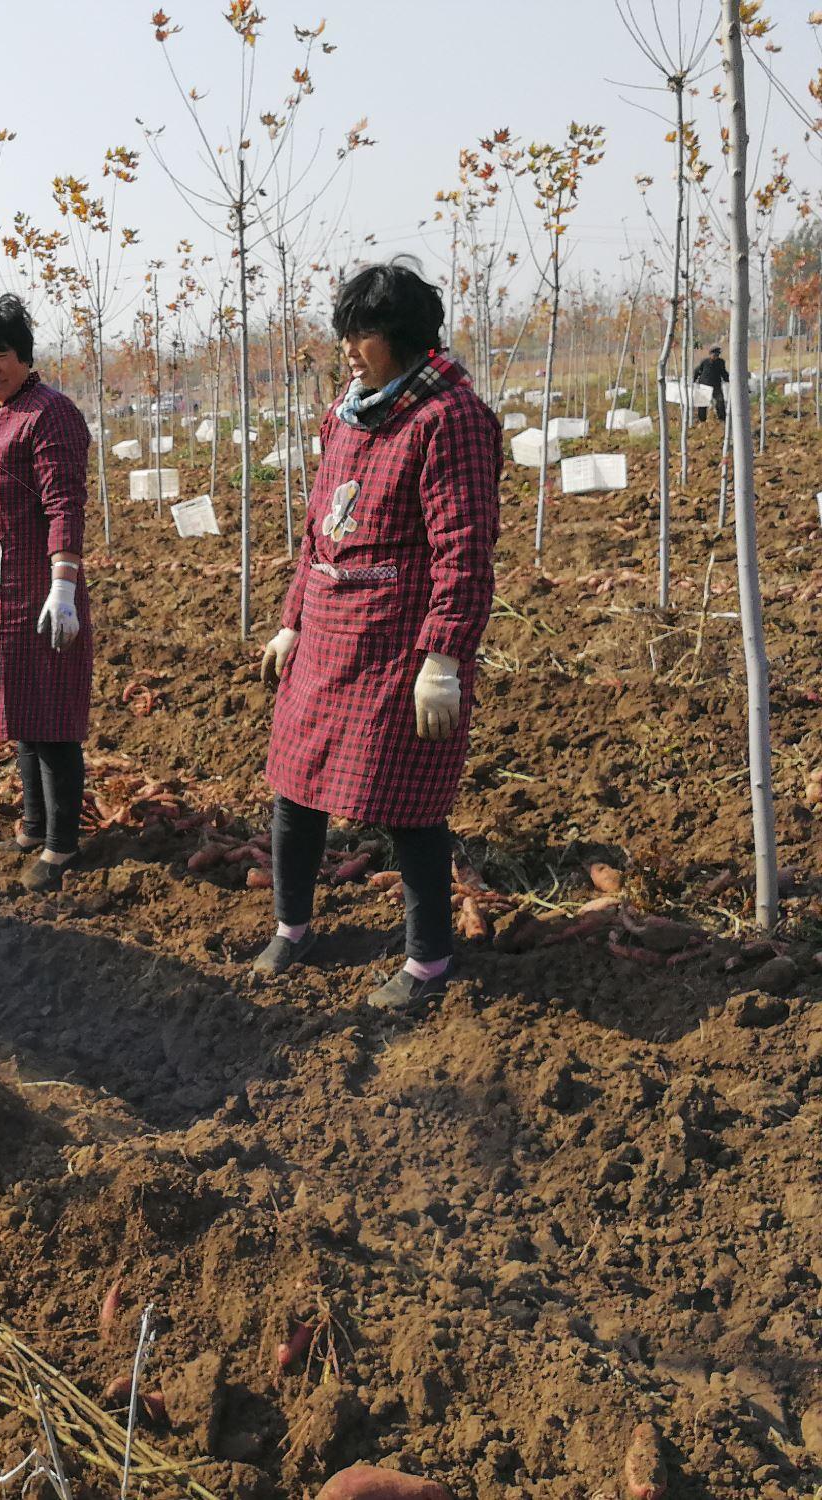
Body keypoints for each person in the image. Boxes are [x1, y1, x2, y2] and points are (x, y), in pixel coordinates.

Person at [255, 259, 501, 1012]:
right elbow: (315, 532)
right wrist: (292, 619)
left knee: (409, 805)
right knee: (292, 790)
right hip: (327, 633)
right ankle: (293, 926)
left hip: (396, 642)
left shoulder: (449, 419)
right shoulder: (347, 412)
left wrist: (443, 658)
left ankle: (428, 960)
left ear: (404, 338)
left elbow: (463, 547)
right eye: (347, 336)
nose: (350, 351)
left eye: (363, 336)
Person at [0, 293, 93, 895]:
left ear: (25, 355)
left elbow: (64, 506)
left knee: (53, 722)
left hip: (37, 593)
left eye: (0, 353)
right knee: (22, 721)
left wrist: (63, 587)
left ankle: (62, 846)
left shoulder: (50, 413)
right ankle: (33, 827)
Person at [692, 345, 729, 422]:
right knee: (702, 404)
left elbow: (723, 373)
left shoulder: (721, 362)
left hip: (716, 386)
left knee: (720, 402)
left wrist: (728, 379)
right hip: (704, 386)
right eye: (715, 355)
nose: (716, 356)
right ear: (710, 354)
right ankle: (702, 420)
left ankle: (722, 419)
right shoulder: (704, 362)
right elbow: (697, 371)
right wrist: (693, 380)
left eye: (718, 355)